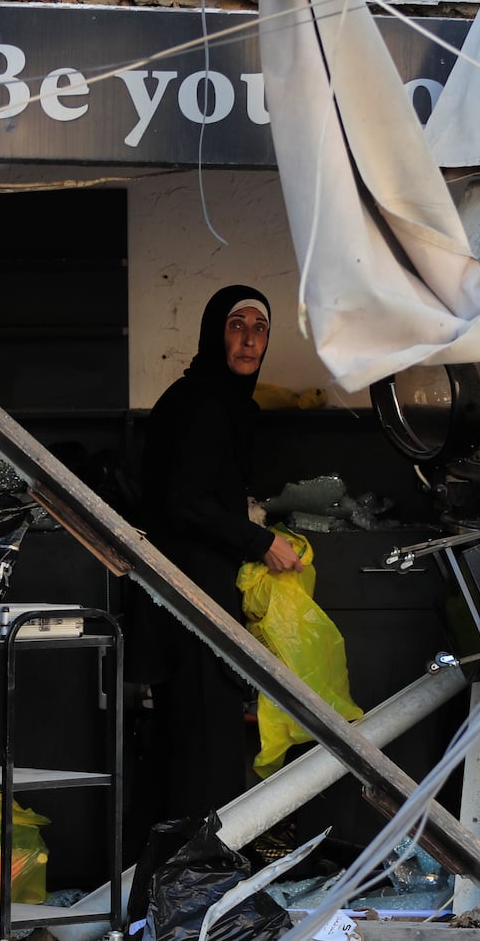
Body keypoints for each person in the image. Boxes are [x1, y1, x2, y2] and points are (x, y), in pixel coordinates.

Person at [134, 284, 304, 822]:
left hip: (193, 587)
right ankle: (200, 870)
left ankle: (185, 868)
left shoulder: (223, 401)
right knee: (203, 733)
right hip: (189, 591)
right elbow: (183, 501)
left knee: (192, 731)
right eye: (237, 326)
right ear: (214, 333)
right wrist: (259, 540)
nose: (250, 339)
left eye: (261, 328)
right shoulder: (202, 402)